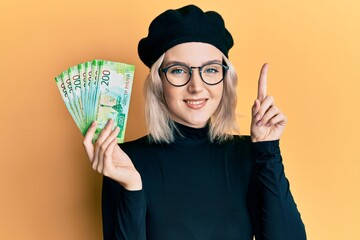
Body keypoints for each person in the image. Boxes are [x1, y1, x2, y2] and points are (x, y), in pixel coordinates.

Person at [83, 4, 307, 240]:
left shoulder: (251, 155)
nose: (196, 86)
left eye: (210, 70)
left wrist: (268, 151)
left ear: (224, 80)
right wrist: (132, 188)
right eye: (179, 71)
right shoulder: (123, 162)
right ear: (159, 83)